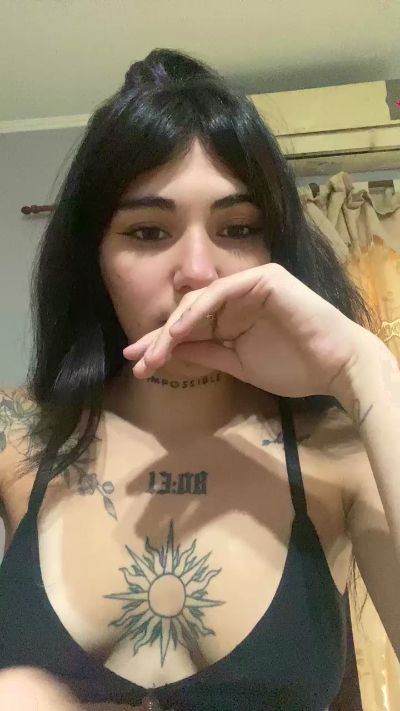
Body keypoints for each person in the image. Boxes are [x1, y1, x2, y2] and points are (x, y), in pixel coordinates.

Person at [0, 48, 397, 711]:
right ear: (94, 258)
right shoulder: (14, 436)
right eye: (148, 231)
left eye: (237, 228)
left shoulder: (344, 452)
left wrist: (366, 371)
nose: (198, 271)